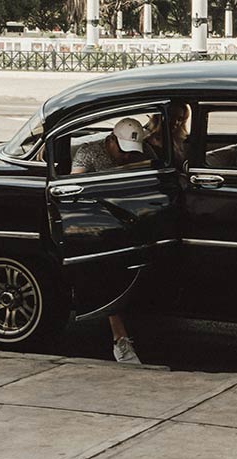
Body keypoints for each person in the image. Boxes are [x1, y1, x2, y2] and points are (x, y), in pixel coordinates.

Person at [69, 118, 152, 364]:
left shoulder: (136, 155)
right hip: (97, 223)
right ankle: (120, 339)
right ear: (111, 140)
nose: (126, 157)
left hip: (130, 218)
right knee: (109, 266)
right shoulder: (88, 153)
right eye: (123, 151)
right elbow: (74, 184)